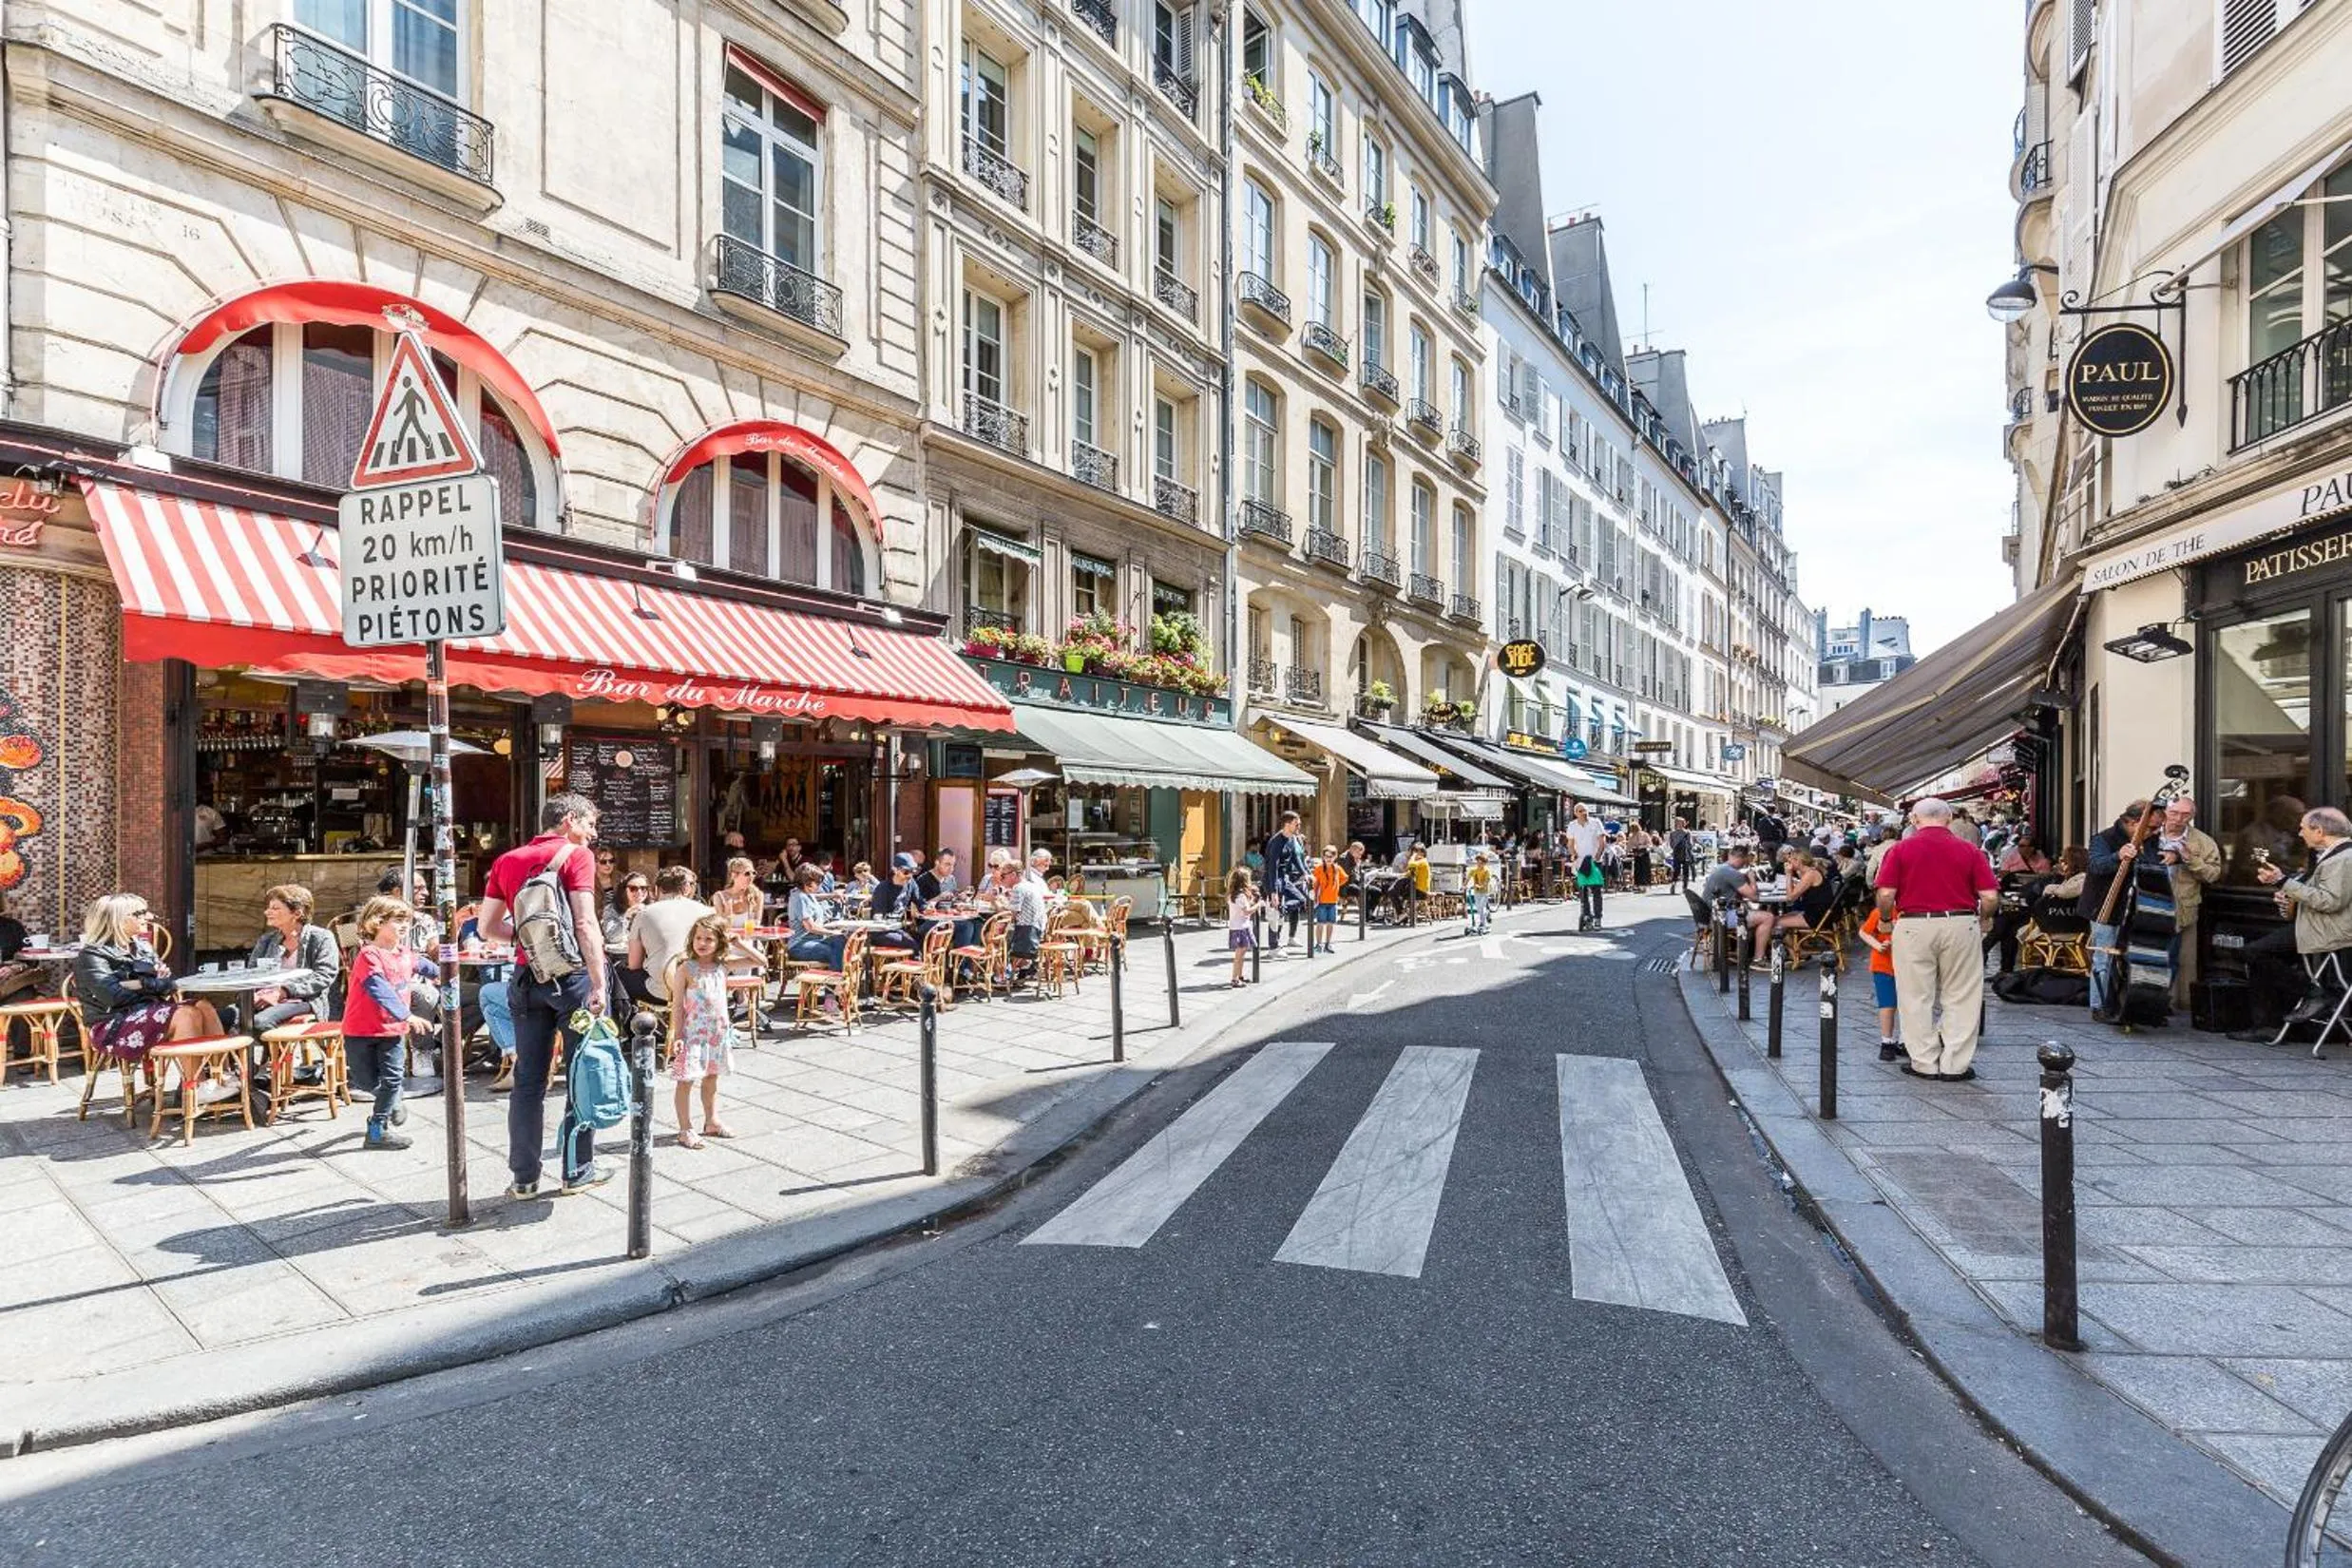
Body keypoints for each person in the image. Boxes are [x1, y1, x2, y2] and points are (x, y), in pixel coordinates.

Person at [476, 793, 608, 1199]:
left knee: (529, 1082)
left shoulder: (507, 860)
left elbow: (487, 929)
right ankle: (576, 1169)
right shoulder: (576, 855)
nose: (592, 833)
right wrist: (598, 980)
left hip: (525, 978)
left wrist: (529, 941)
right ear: (569, 820)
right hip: (570, 980)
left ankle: (525, 1178)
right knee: (579, 1075)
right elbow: (585, 923)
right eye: (589, 824)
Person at [1874, 797, 1998, 1081]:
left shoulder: (1900, 850)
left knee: (1915, 995)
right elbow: (1990, 897)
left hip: (1913, 924)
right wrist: (1985, 918)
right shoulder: (1970, 850)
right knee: (1962, 994)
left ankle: (1924, 1061)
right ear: (1949, 818)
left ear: (1915, 820)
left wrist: (1884, 919)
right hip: (1960, 922)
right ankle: (1955, 1063)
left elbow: (1885, 894)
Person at [72, 893, 227, 1075]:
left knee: (204, 1006)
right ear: (118, 920)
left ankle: (220, 1079)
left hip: (150, 1011)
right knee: (186, 1014)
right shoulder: (92, 956)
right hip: (113, 1023)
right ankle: (194, 1087)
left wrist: (139, 983)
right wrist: (152, 983)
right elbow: (113, 997)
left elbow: (169, 984)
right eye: (140, 913)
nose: (149, 917)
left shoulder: (142, 947)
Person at [2243, 807, 2352, 1041]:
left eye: (2303, 828)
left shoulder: (2342, 859)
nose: (2299, 834)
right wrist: (2287, 889)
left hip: (2329, 930)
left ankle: (2314, 994)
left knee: (2254, 952)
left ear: (2320, 831)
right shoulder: (2332, 855)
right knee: (2262, 954)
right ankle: (2269, 1023)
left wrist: (2283, 882)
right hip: (2318, 925)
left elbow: (2329, 901)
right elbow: (2317, 891)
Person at [342, 895, 440, 1152]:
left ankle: (377, 1129)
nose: (404, 925)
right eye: (397, 920)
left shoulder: (405, 954)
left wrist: (449, 969)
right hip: (360, 1031)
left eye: (406, 920)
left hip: (392, 1031)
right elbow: (379, 988)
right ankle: (393, 1100)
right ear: (377, 922)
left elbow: (429, 967)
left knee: (393, 1078)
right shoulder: (368, 956)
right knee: (365, 1082)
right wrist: (407, 1015)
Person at [663, 911, 737, 1149]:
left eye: (709, 939)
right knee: (685, 1081)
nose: (702, 944)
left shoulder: (722, 966)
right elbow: (677, 1006)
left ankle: (711, 1120)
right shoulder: (686, 968)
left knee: (711, 1077)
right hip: (693, 1035)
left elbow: (761, 961)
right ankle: (685, 1128)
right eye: (698, 938)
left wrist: (738, 942)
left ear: (719, 943)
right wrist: (676, 1035)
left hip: (717, 1034)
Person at [2080, 801, 2151, 1019]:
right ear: (2132, 823)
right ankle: (2098, 1005)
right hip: (2104, 906)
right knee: (2103, 957)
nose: (2154, 833)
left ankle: (2132, 1002)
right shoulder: (2104, 839)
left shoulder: (2151, 841)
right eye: (2150, 828)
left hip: (2133, 908)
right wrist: (2118, 856)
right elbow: (2096, 865)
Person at [243, 884, 340, 1032]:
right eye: (269, 908)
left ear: (297, 913)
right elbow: (251, 973)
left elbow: (324, 976)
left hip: (303, 999)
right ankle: (237, 1056)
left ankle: (278, 1056)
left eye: (275, 908)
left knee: (259, 1022)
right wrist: (254, 995)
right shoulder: (267, 940)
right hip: (265, 998)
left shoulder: (321, 938)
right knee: (228, 1017)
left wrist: (284, 992)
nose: (267, 912)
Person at [2156, 795, 2223, 1009]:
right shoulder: (2149, 834)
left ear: (2192, 816)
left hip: (2180, 907)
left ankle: (2165, 1002)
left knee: (2172, 957)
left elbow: (2213, 874)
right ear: (2165, 812)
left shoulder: (2202, 842)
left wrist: (2189, 859)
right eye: (2174, 813)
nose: (2178, 819)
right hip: (2147, 903)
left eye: (2185, 815)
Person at [1748, 847, 1826, 967]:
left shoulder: (1811, 874)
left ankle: (1795, 952)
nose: (1788, 864)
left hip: (1816, 916)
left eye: (1790, 861)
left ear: (1798, 861)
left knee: (1772, 923)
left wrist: (1788, 875)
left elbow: (1790, 898)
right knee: (1779, 918)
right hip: (1817, 912)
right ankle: (1796, 952)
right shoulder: (1810, 872)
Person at [1858, 905, 1902, 1061]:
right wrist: (1878, 945)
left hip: (1901, 965)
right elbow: (1864, 931)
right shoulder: (1881, 912)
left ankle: (1902, 1041)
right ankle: (1887, 1041)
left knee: (1904, 1004)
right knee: (1888, 1005)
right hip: (1884, 964)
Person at [1261, 812, 1309, 953]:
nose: (1299, 826)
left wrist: (1305, 873)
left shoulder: (1291, 838)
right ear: (1287, 824)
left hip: (1284, 878)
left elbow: (1295, 858)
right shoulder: (1276, 841)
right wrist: (1273, 891)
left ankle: (1281, 911)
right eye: (1296, 824)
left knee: (1301, 899)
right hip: (1273, 879)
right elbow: (1272, 867)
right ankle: (1273, 947)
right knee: (1275, 912)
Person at [784, 863, 844, 970]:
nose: (820, 885)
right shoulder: (800, 898)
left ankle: (837, 981)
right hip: (800, 945)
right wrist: (832, 932)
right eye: (818, 882)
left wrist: (833, 895)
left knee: (841, 941)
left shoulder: (807, 894)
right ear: (808, 883)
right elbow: (810, 927)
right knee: (832, 952)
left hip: (816, 940)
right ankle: (835, 984)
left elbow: (816, 897)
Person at [1562, 802, 1607, 927]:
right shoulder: (1572, 826)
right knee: (1583, 890)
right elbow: (1570, 844)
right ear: (1575, 813)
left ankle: (1598, 917)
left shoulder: (1595, 822)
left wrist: (1598, 856)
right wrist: (1574, 855)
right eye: (1581, 811)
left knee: (1597, 889)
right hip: (1581, 862)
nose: (1584, 813)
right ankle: (1587, 915)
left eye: (1585, 810)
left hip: (1594, 861)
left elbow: (1602, 841)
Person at [1310, 845, 1349, 953]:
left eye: (1331, 856)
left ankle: (1328, 943)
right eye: (1326, 856)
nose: (1329, 858)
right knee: (1320, 923)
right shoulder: (1319, 868)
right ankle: (1319, 944)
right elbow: (1313, 881)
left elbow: (1345, 878)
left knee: (1330, 923)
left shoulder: (1337, 868)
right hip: (1322, 901)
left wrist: (1336, 886)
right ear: (1323, 856)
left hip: (1333, 901)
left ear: (1335, 857)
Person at [1226, 867, 1261, 987]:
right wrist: (1258, 905)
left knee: (1242, 953)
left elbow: (1242, 908)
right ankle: (1234, 979)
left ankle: (1239, 976)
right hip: (1241, 928)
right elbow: (1246, 911)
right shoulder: (1241, 896)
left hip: (1237, 927)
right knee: (1239, 955)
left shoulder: (1233, 895)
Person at [1464, 849, 1494, 935]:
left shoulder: (1487, 871)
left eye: (1481, 863)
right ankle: (1483, 919)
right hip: (1477, 892)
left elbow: (1486, 882)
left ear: (1484, 863)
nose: (1479, 864)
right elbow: (1467, 879)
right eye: (1478, 862)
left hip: (1485, 891)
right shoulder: (1474, 870)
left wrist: (1481, 886)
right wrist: (1464, 886)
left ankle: (1483, 924)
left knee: (1482, 907)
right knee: (1478, 907)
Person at [1406, 842, 1431, 925]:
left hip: (1420, 890)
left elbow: (1410, 864)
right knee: (1400, 890)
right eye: (1414, 851)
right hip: (1419, 889)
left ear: (1423, 853)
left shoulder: (1423, 861)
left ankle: (1403, 914)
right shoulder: (1419, 862)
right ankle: (1404, 914)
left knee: (1398, 892)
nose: (1415, 853)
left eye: (1417, 851)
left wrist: (1412, 857)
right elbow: (1410, 872)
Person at [1625, 822, 1654, 892]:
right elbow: (1629, 845)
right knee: (1638, 870)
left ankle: (1644, 886)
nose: (1633, 831)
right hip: (1637, 855)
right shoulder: (1631, 836)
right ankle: (1638, 885)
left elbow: (1650, 844)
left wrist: (1643, 846)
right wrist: (1626, 853)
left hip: (1644, 854)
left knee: (1644, 870)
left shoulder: (1644, 834)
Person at [1669, 818, 1694, 892]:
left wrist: (1675, 848)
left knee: (1676, 870)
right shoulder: (1687, 832)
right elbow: (1690, 844)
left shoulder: (1672, 833)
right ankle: (1684, 887)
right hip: (1685, 854)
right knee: (1685, 871)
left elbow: (1671, 844)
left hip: (1676, 854)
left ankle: (1673, 884)